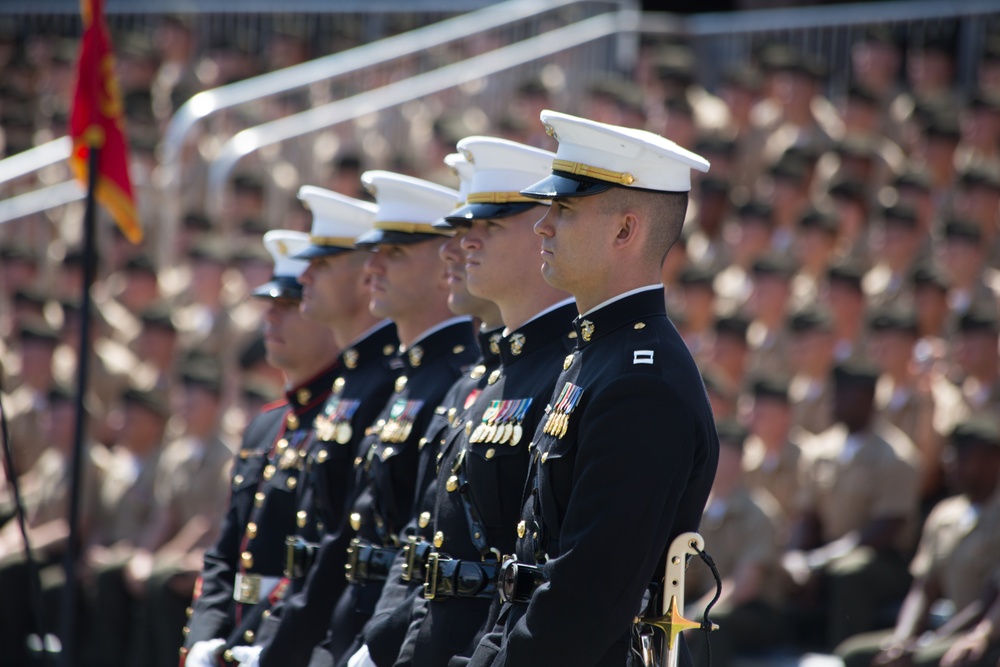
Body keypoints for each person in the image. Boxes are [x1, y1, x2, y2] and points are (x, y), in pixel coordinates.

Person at [466, 110, 719, 667]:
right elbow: (526, 570)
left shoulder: (639, 381)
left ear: (625, 230)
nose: (542, 224)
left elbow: (584, 601)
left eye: (565, 208)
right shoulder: (597, 356)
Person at [245, 172, 478, 667]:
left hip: (388, 632)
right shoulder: (403, 380)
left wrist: (364, 646)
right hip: (351, 624)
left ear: (444, 266)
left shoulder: (450, 379)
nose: (372, 265)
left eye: (393, 252)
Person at [364, 136, 578, 667]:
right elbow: (424, 541)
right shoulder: (481, 381)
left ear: (542, 230)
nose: (458, 247)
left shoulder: (571, 373)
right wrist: (378, 645)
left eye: (488, 225)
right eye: (462, 229)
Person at [181, 230, 342, 667]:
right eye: (269, 303)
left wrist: (274, 648)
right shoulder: (265, 425)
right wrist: (203, 637)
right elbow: (224, 553)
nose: (271, 316)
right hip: (235, 635)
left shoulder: (344, 422)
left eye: (290, 305)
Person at [835, 417, 1000, 667]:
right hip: (946, 629)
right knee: (853, 654)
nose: (952, 463)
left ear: (993, 462)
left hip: (983, 633)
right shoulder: (946, 514)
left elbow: (987, 601)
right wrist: (902, 639)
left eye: (965, 457)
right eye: (951, 455)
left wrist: (928, 642)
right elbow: (923, 588)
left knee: (923, 662)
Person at [782, 361, 921, 651]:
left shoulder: (895, 455)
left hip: (883, 559)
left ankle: (842, 653)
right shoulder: (822, 450)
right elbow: (808, 516)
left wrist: (822, 560)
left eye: (844, 395)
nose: (834, 402)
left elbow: (884, 530)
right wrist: (795, 557)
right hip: (830, 549)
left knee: (849, 572)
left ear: (868, 399)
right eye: (835, 393)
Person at [684, 419, 787, 667]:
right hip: (711, 602)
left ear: (739, 459)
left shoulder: (759, 513)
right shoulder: (703, 511)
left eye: (722, 453)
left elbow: (746, 585)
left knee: (713, 623)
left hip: (756, 612)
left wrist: (695, 614)